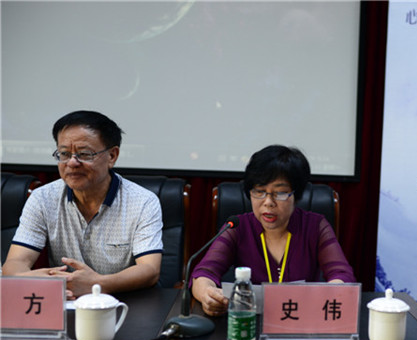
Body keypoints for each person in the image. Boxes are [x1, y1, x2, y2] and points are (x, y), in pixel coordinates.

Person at [2, 110, 163, 299]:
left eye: (84, 154)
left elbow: (149, 269)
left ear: (112, 156)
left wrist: (97, 284)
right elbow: (14, 263)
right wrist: (35, 280)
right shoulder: (42, 198)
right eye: (64, 153)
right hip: (66, 301)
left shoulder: (143, 201)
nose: (72, 163)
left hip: (123, 302)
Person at [191, 144, 356, 316]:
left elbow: (342, 275)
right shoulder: (237, 227)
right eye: (259, 191)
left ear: (296, 195)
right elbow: (204, 273)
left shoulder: (315, 226)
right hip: (249, 322)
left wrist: (331, 293)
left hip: (301, 320)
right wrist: (208, 295)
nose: (268, 202)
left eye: (280, 193)